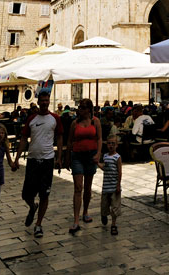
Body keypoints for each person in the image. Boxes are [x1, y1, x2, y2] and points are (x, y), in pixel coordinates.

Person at [14, 91, 64, 238]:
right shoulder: (31, 119)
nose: (44, 103)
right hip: (32, 160)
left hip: (48, 161)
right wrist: (17, 158)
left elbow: (60, 138)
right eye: (42, 100)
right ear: (38, 101)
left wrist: (59, 158)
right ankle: (32, 206)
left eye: (46, 100)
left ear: (49, 101)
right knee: (26, 194)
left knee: (44, 194)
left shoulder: (55, 118)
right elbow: (23, 138)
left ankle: (38, 224)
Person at [66, 98, 102, 235]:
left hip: (91, 156)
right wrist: (67, 158)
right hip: (77, 157)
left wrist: (98, 153)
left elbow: (99, 138)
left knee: (87, 187)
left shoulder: (95, 122)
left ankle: (85, 211)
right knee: (78, 187)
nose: (79, 110)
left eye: (81, 108)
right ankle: (76, 220)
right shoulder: (74, 124)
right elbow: (69, 141)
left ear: (88, 110)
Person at [98, 135, 122, 235]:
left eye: (113, 143)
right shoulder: (105, 156)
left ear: (116, 145)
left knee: (115, 206)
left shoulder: (117, 157)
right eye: (109, 143)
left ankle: (113, 224)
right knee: (104, 205)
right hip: (106, 187)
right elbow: (105, 168)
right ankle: (104, 215)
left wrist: (118, 185)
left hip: (114, 186)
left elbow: (119, 172)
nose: (111, 145)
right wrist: (98, 164)